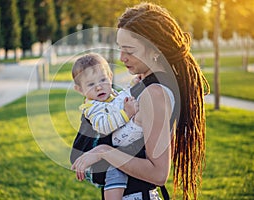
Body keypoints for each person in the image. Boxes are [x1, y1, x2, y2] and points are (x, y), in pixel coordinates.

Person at [72, 2, 210, 200]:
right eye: (120, 49)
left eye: (129, 51)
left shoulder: (155, 94)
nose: (121, 57)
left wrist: (104, 151)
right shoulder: (145, 85)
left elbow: (159, 173)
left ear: (155, 50)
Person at [72, 52, 142, 200]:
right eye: (91, 84)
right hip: (97, 158)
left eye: (103, 80)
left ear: (110, 77)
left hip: (114, 147)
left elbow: (122, 99)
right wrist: (126, 115)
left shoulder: (112, 96)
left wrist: (134, 85)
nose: (99, 87)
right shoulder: (91, 108)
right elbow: (104, 126)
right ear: (79, 89)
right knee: (115, 171)